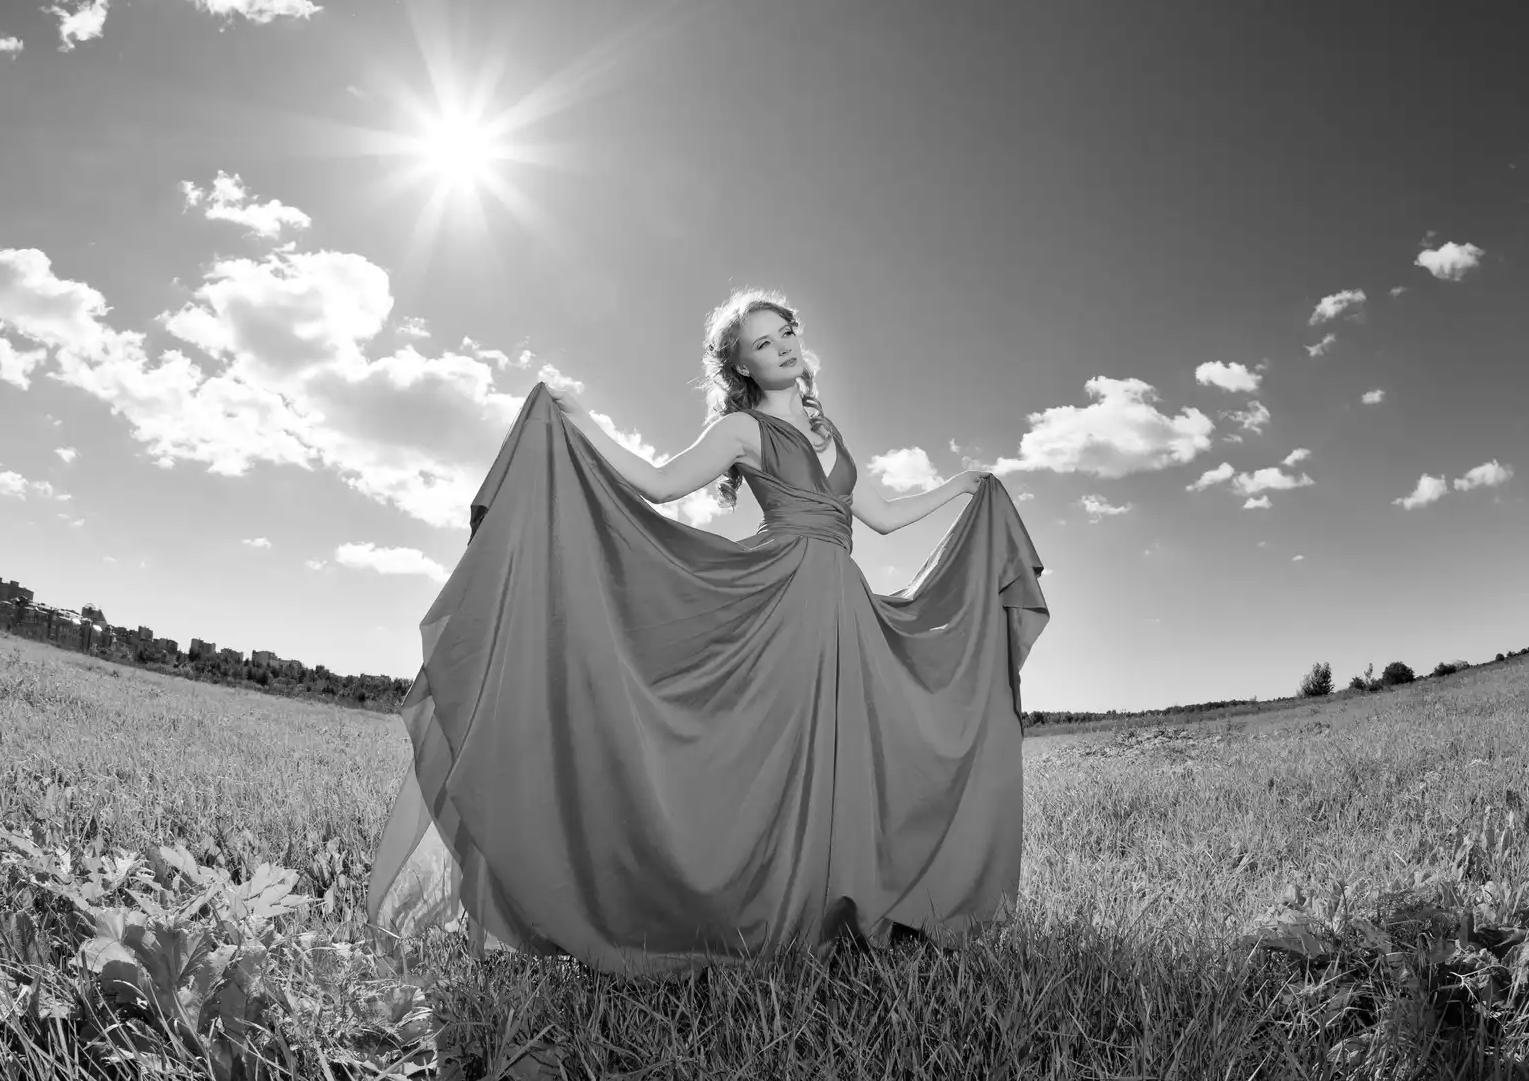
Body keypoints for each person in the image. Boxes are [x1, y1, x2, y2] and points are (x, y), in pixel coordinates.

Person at [366, 288, 1049, 977]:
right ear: (742, 366)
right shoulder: (743, 431)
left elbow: (884, 515)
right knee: (771, 761)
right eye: (762, 342)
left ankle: (830, 908)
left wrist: (962, 488)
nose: (782, 346)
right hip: (781, 605)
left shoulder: (828, 432)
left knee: (850, 757)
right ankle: (734, 909)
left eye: (785, 331)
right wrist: (580, 419)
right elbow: (660, 486)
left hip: (845, 609)